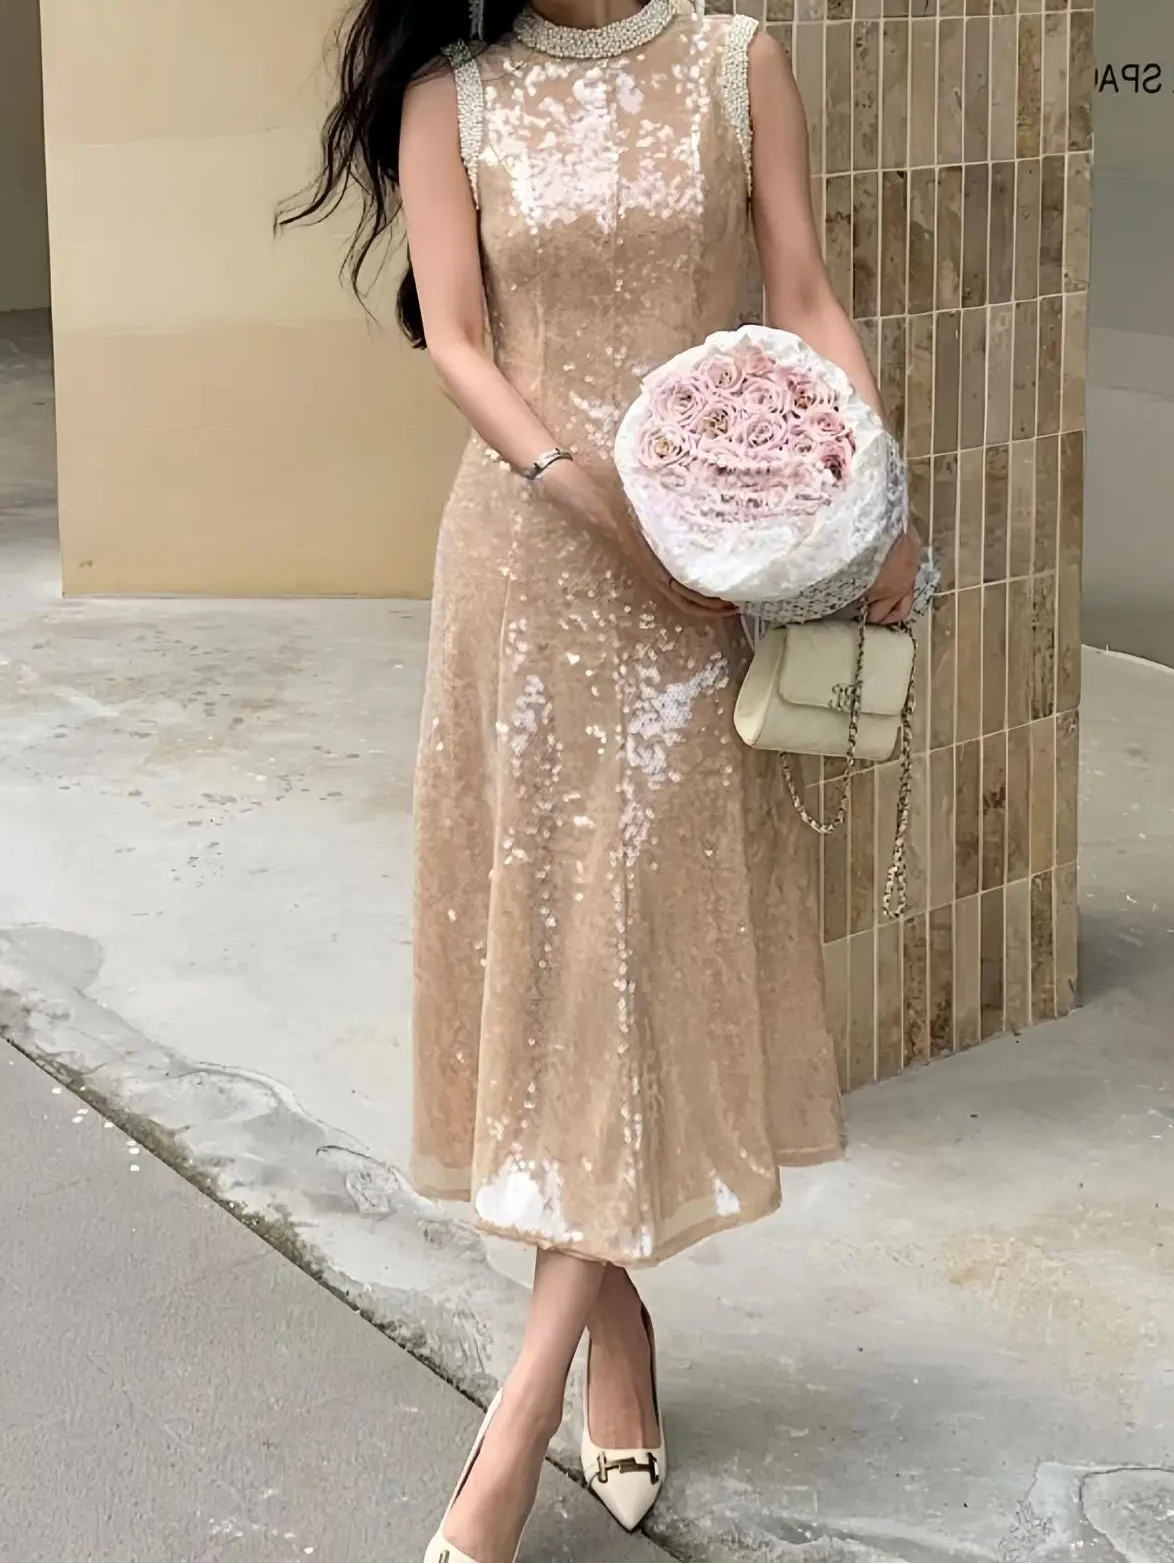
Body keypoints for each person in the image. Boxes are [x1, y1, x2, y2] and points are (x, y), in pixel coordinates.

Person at [287, 2, 919, 1559]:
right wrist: (591, 498)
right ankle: (607, 1332)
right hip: (533, 562)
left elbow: (800, 295)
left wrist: (872, 493)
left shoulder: (730, 59)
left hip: (713, 563)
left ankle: (511, 1427)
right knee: (568, 960)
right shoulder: (455, 92)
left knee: (638, 952)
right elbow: (459, 342)